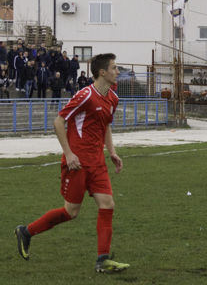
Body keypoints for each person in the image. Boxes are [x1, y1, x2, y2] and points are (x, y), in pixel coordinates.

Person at [15, 53, 129, 273]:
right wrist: (68, 154)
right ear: (102, 73)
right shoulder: (85, 95)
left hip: (97, 164)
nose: (118, 72)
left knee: (108, 205)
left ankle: (103, 260)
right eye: (115, 68)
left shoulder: (112, 98)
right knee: (71, 212)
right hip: (77, 164)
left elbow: (105, 125)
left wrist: (112, 152)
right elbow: (59, 121)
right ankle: (25, 232)